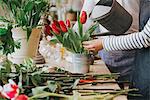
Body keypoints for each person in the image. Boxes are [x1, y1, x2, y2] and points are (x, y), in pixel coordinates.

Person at [83, 0, 150, 99]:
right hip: (137, 54)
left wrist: (103, 43)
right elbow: (85, 18)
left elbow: (145, 38)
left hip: (136, 49)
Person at [76, 0, 139, 89]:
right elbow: (85, 20)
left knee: (135, 91)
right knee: (111, 88)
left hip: (135, 45)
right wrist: (71, 40)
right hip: (108, 49)